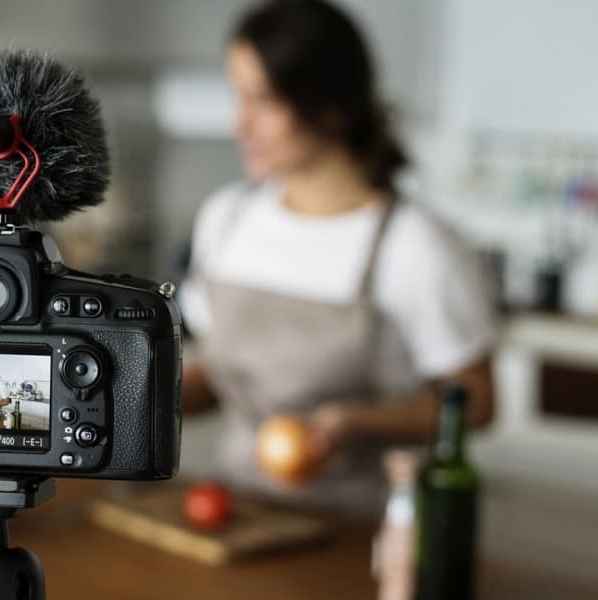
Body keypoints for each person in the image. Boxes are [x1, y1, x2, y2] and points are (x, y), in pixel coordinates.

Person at [179, 0, 496, 517]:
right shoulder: (227, 218)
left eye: (263, 101)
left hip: (358, 527)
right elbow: (218, 372)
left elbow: (477, 402)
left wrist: (358, 421)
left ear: (330, 106)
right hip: (234, 511)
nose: (240, 124)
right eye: (237, 97)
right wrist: (138, 398)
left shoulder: (415, 246)